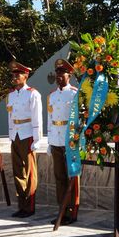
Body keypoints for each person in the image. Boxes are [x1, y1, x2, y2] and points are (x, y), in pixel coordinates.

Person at [47, 59, 79, 225]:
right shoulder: (52, 96)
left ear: (69, 75)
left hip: (69, 139)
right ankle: (62, 210)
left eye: (62, 73)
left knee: (72, 175)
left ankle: (72, 211)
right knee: (59, 176)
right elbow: (50, 119)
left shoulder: (74, 94)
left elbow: (78, 120)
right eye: (57, 73)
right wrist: (49, 141)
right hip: (56, 139)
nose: (59, 76)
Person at [7, 61, 42, 218]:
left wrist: (37, 138)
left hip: (27, 133)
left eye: (18, 75)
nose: (14, 78)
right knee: (17, 171)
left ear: (25, 76)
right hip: (15, 134)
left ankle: (30, 206)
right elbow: (10, 115)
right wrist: (10, 134)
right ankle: (22, 204)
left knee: (29, 172)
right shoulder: (11, 95)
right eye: (13, 75)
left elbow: (37, 118)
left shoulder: (32, 93)